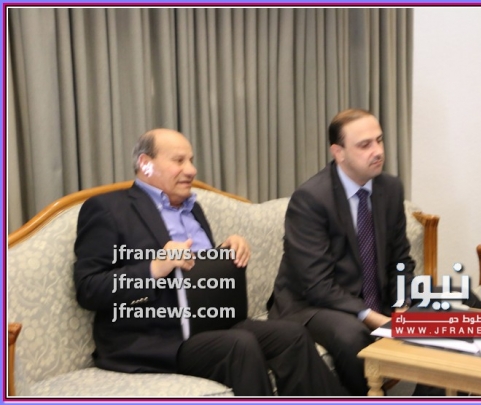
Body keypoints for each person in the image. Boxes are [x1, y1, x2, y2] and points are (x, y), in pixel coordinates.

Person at [74, 128, 347, 396]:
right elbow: (89, 288)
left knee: (291, 336)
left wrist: (223, 254)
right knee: (239, 345)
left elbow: (193, 271)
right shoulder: (109, 209)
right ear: (145, 164)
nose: (191, 170)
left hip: (211, 323)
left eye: (191, 160)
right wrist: (154, 268)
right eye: (179, 160)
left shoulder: (192, 207)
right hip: (151, 337)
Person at [268, 109, 416, 395]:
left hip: (376, 298)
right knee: (351, 335)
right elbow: (317, 285)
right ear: (339, 152)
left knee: (448, 306)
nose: (377, 151)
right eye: (365, 145)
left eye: (379, 140)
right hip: (312, 305)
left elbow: (400, 260)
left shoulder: (390, 188)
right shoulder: (311, 199)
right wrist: (379, 319)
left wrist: (403, 304)